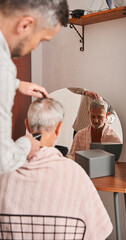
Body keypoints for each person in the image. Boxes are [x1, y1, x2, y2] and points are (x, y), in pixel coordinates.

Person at [0, 98, 113, 240]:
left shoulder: (3, 173)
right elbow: (99, 232)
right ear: (59, 128)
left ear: (27, 125)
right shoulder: (76, 174)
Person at [0, 0, 69, 173]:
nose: (35, 47)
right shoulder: (4, 68)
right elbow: (3, 160)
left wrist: (16, 84)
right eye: (41, 40)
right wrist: (26, 144)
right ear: (25, 25)